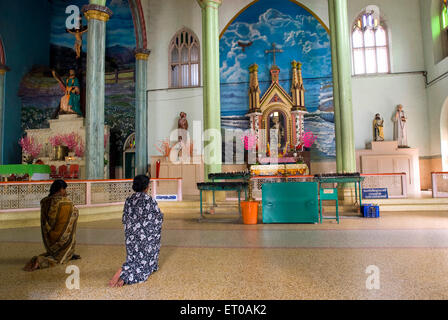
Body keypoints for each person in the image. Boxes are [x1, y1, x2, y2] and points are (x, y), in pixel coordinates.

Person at [109, 175, 164, 287]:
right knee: (145, 263)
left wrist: (132, 231)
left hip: (132, 237)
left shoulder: (129, 200)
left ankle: (124, 275)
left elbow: (125, 218)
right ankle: (124, 273)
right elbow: (157, 218)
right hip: (146, 239)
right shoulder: (149, 200)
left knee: (134, 257)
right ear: (146, 187)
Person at [23, 180, 80, 272]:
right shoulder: (66, 203)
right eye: (64, 189)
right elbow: (74, 211)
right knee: (59, 259)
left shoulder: (45, 201)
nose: (65, 192)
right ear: (61, 189)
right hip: (61, 240)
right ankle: (40, 261)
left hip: (49, 240)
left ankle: (67, 253)